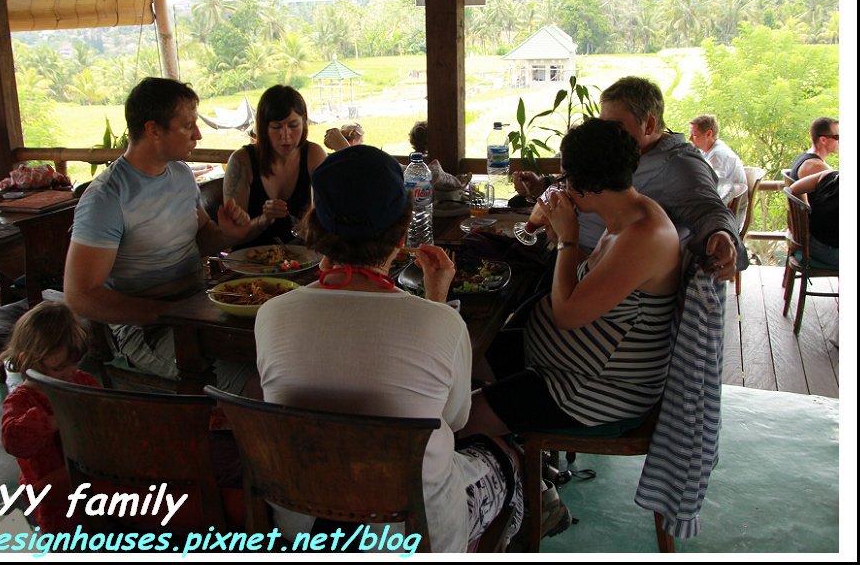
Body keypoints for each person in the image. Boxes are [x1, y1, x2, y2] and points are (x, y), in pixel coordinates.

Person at [254, 145, 523, 552]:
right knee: (504, 455)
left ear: (316, 230)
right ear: (402, 235)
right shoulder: (441, 322)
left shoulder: (271, 314)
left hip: (305, 522)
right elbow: (453, 418)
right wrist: (436, 300)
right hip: (411, 531)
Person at [463, 119, 682, 437]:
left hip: (596, 390)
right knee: (461, 361)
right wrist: (558, 236)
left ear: (590, 186)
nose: (563, 186)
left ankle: (513, 467)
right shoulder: (628, 215)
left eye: (566, 177)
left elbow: (567, 315)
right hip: (562, 362)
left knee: (461, 422)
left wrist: (568, 239)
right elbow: (590, 284)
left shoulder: (646, 235)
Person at [64, 77, 252, 385]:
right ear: (153, 130)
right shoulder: (107, 197)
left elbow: (203, 234)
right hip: (146, 329)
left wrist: (229, 234)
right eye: (187, 126)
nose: (198, 134)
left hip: (198, 306)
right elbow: (80, 296)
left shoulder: (180, 174)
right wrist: (172, 313)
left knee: (274, 355)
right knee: (246, 380)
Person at [513, 77, 744, 281]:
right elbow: (589, 181)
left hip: (608, 280)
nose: (606, 134)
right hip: (570, 254)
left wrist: (721, 234)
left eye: (615, 126)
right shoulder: (624, 152)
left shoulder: (679, 165)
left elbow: (710, 210)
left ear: (649, 124)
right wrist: (542, 185)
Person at [0, 300, 98, 533]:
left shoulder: (80, 380)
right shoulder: (21, 401)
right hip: (51, 496)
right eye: (59, 367)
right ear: (26, 360)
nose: (69, 373)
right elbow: (14, 440)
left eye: (74, 363)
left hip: (89, 480)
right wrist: (55, 420)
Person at [224, 85, 326, 248]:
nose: (285, 135)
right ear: (263, 128)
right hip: (250, 262)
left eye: (293, 125)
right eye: (276, 127)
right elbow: (232, 236)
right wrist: (263, 220)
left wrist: (313, 221)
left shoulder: (314, 155)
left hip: (304, 259)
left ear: (304, 123)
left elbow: (328, 220)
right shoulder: (242, 161)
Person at [688, 114, 747, 202]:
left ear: (708, 134)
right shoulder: (709, 151)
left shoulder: (718, 155)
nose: (690, 139)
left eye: (695, 135)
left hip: (728, 210)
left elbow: (714, 189)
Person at [789, 169, 839, 267]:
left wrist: (808, 211)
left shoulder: (827, 175)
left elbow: (794, 188)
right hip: (826, 251)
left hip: (810, 242)